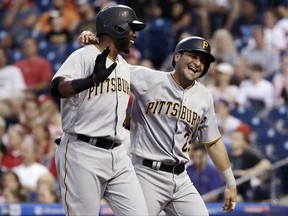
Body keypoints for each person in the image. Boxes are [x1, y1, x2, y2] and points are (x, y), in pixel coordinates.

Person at [79, 32, 237, 215]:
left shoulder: (204, 96)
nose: (198, 63)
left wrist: (230, 182)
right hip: (147, 175)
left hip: (181, 178)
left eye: (203, 61)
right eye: (193, 56)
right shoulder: (149, 78)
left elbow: (213, 142)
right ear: (177, 56)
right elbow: (112, 67)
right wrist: (97, 43)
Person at [50, 5, 148, 216]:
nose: (134, 35)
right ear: (116, 27)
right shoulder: (84, 55)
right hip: (82, 151)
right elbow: (57, 87)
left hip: (118, 153)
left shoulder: (122, 64)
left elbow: (118, 112)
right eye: (131, 28)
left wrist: (144, 126)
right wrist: (91, 80)